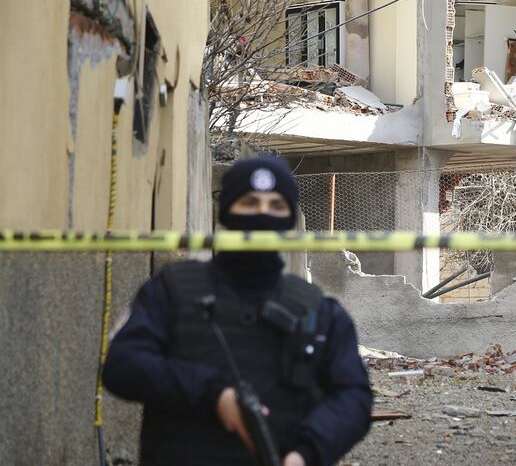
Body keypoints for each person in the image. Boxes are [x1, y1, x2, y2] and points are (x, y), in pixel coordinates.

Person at [103, 156, 372, 466]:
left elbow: (354, 397)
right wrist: (213, 395)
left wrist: (305, 452)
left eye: (276, 205)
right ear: (226, 212)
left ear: (289, 219)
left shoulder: (321, 312)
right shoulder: (172, 290)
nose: (262, 213)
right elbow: (122, 365)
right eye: (249, 202)